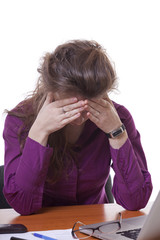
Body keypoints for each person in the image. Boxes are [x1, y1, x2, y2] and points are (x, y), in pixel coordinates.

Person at [3, 40, 152, 215]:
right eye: (70, 107)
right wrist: (39, 132)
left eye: (90, 105)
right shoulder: (20, 120)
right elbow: (22, 205)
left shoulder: (118, 117)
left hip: (96, 226)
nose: (80, 118)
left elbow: (136, 201)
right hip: (40, 227)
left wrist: (117, 134)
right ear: (51, 90)